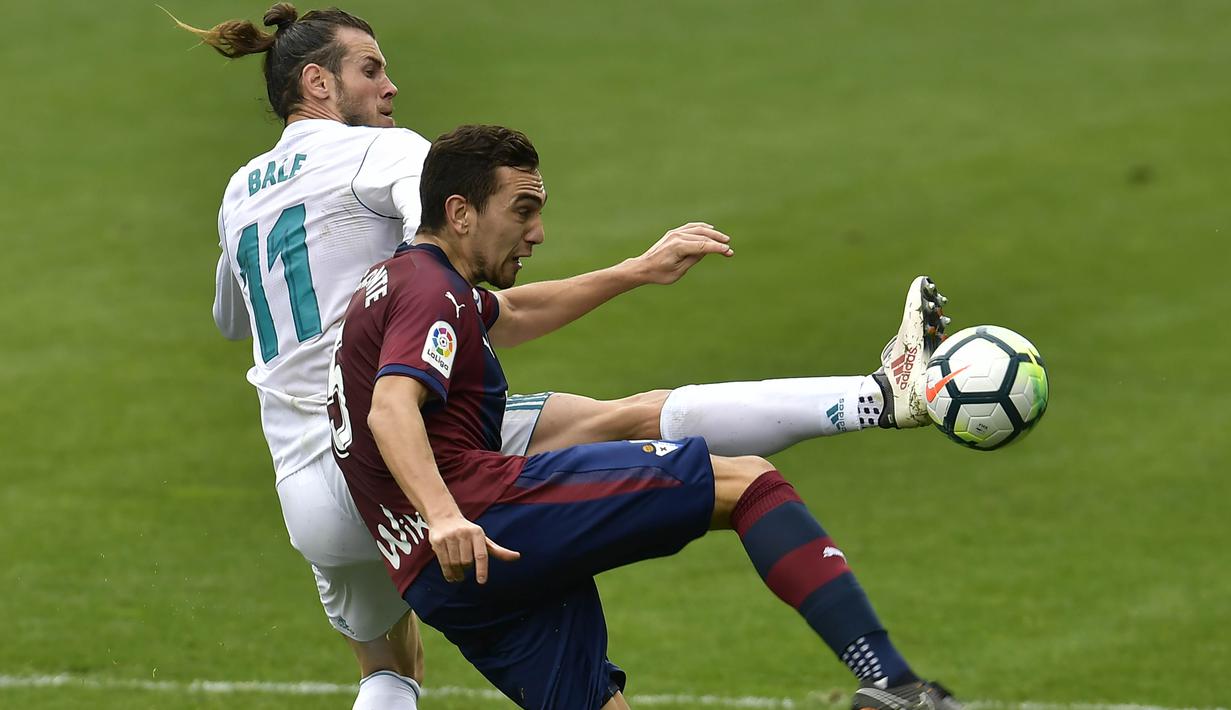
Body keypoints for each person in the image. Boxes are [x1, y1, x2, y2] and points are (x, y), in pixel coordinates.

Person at [179, 4, 950, 707]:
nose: (391, 87)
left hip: (312, 488)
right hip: (417, 450)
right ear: (316, 82)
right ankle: (879, 399)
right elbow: (446, 266)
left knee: (388, 671)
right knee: (634, 420)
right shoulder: (380, 159)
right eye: (370, 69)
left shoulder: (238, 194)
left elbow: (227, 317)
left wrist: (631, 272)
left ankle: (878, 399)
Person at [328, 123, 960, 710]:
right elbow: (392, 408)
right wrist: (444, 515)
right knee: (746, 482)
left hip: (443, 579)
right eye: (522, 211)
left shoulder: (402, 283)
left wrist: (636, 271)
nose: (538, 232)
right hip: (483, 519)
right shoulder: (430, 293)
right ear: (460, 212)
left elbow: (513, 315)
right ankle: (891, 683)